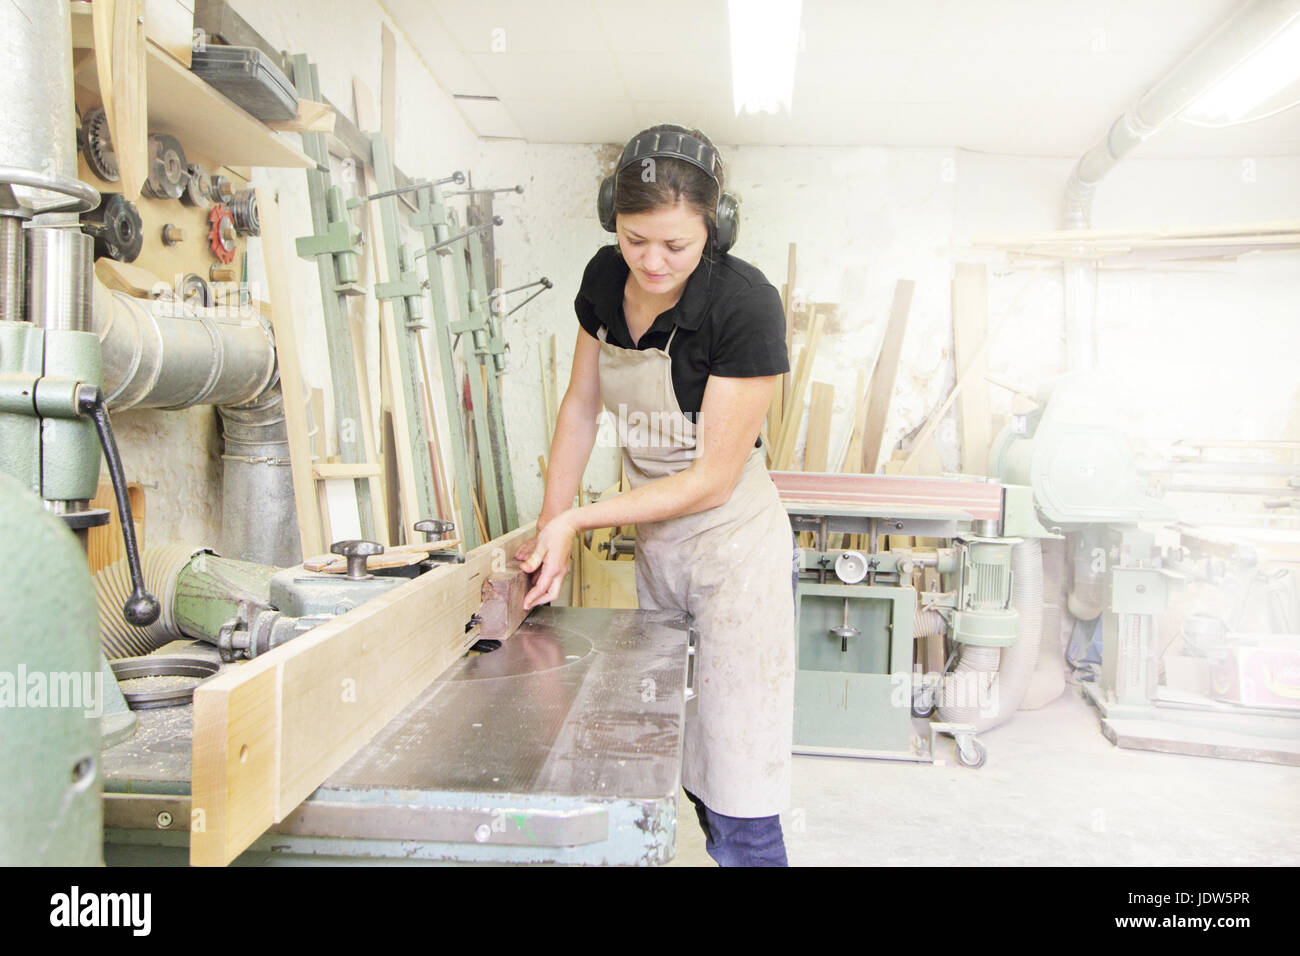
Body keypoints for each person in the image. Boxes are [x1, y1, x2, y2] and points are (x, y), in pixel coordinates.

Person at [515, 124, 796, 867]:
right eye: (636, 240)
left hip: (733, 548)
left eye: (676, 244)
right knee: (671, 743)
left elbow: (708, 480)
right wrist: (552, 527)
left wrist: (580, 516)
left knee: (739, 760)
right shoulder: (604, 282)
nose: (653, 261)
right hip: (659, 543)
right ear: (614, 218)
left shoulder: (746, 305)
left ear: (716, 225)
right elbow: (580, 407)